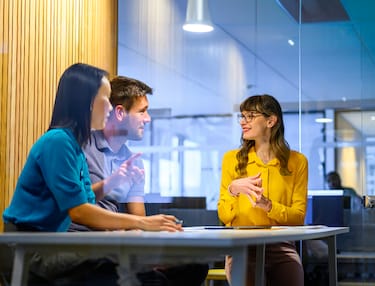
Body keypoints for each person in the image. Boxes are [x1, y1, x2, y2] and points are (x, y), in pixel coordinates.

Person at [2, 63, 181, 285]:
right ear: (87, 103)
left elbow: (85, 199)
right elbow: (79, 212)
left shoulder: (74, 145)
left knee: (149, 275)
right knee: (140, 277)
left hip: (47, 245)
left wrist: (113, 182)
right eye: (106, 99)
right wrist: (142, 223)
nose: (110, 107)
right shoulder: (58, 141)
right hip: (30, 251)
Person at [69, 75, 208, 286]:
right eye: (142, 111)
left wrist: (154, 228)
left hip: (115, 245)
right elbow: (78, 208)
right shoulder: (80, 147)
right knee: (154, 280)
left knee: (194, 267)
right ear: (119, 113)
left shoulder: (133, 161)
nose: (148, 118)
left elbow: (138, 218)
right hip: (82, 245)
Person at [217, 94, 308, 286]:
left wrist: (268, 206)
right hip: (242, 245)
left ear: (270, 120)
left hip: (282, 245)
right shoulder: (231, 159)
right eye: (242, 116)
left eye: (250, 116)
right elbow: (224, 216)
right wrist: (233, 190)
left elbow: (298, 217)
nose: (243, 122)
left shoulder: (297, 162)